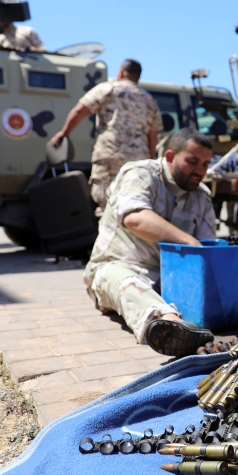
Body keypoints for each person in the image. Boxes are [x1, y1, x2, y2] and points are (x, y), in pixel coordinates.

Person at [83, 127, 217, 356]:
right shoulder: (140, 173)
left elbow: (206, 247)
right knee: (122, 279)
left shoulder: (201, 196)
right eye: (193, 161)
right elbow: (134, 218)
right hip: (116, 268)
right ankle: (168, 326)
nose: (200, 171)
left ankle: (180, 323)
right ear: (170, 157)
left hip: (169, 280)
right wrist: (187, 240)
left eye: (205, 164)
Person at [51, 59, 162, 207]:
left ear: (121, 72)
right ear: (138, 77)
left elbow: (79, 111)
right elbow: (152, 135)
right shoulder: (149, 100)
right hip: (138, 158)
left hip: (111, 153)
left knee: (106, 200)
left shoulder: (107, 89)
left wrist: (64, 133)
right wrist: (150, 159)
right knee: (135, 199)